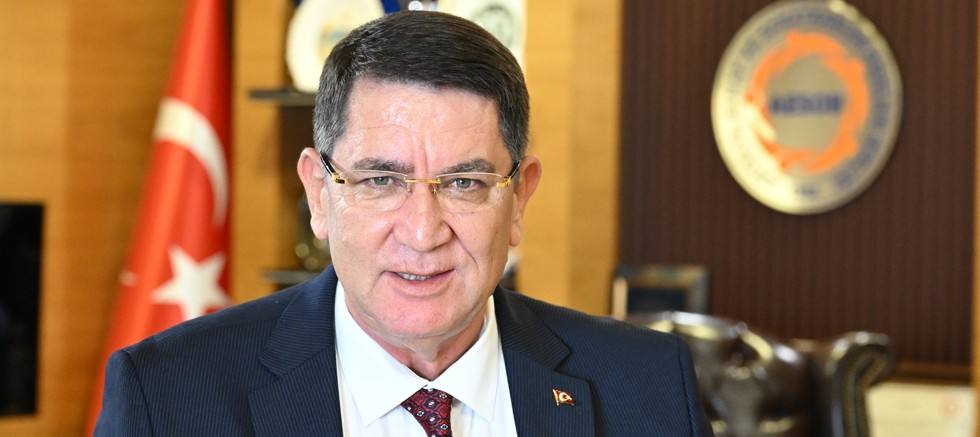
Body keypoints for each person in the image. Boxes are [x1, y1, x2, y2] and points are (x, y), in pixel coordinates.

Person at [95, 10, 712, 436]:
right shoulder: (168, 397)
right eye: (380, 181)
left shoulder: (649, 387)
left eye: (464, 183)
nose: (422, 233)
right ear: (318, 193)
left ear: (519, 199)